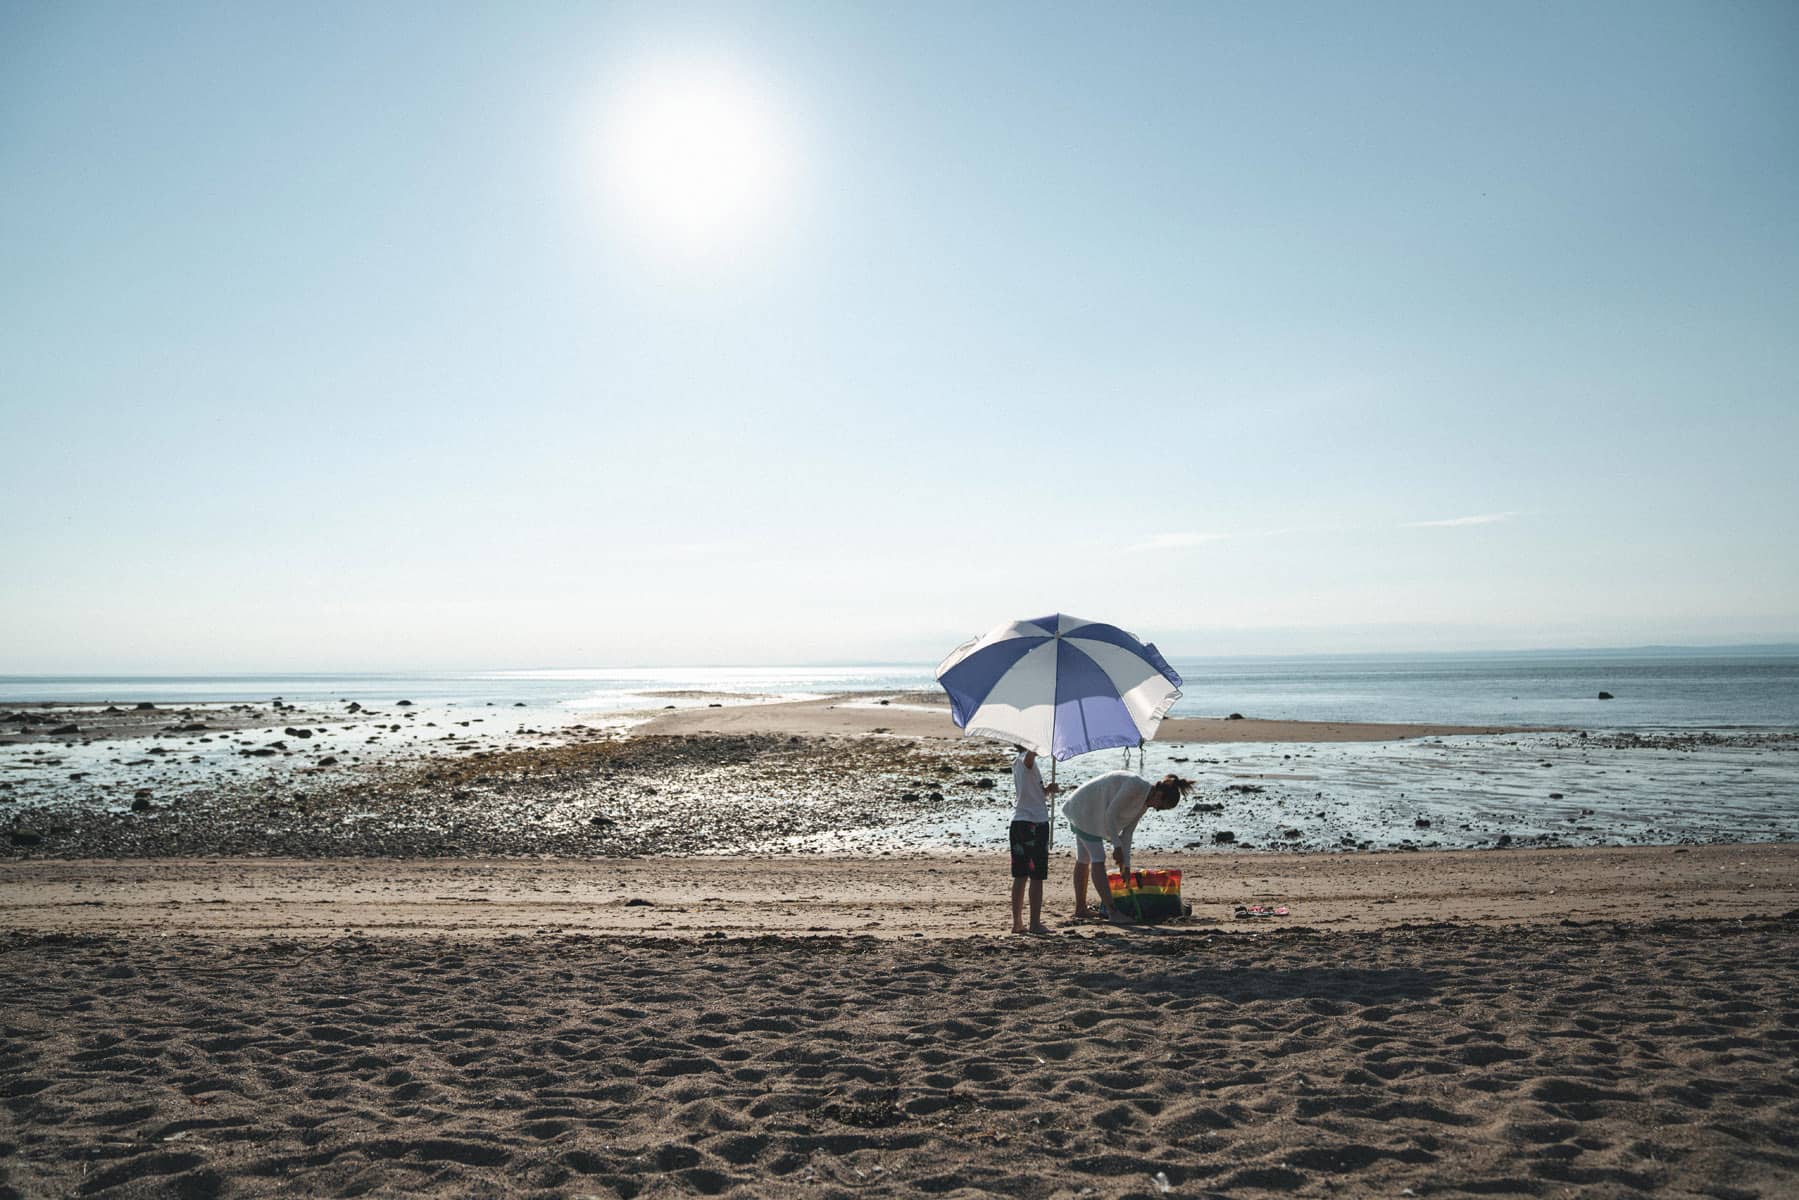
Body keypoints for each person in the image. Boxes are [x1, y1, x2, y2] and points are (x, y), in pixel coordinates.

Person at [1061, 771, 1192, 923]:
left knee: (1084, 858)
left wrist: (1126, 866)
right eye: (1160, 807)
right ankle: (1113, 912)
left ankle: (1081, 909)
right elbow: (1110, 814)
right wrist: (1116, 847)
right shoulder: (1135, 785)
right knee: (1098, 858)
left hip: (1090, 811)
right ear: (1159, 794)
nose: (1156, 809)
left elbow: (1127, 834)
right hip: (1084, 808)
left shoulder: (1143, 805)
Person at [1008, 747, 1060, 935]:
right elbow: (1029, 756)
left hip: (1019, 821)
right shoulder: (1025, 759)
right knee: (1036, 876)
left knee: (1021, 875)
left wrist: (1046, 791)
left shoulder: (1020, 763)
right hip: (1034, 824)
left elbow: (1029, 792)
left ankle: (1018, 923)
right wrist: (1038, 745)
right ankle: (1034, 923)